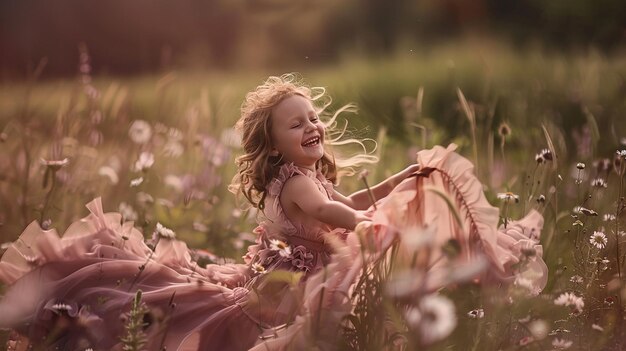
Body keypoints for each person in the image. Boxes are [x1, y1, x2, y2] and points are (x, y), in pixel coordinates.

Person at [0, 74, 547, 351]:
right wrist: (371, 225)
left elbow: (348, 202)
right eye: (296, 124)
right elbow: (340, 214)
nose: (312, 126)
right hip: (282, 287)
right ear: (274, 144)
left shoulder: (303, 177)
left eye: (313, 117)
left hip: (283, 270)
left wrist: (395, 183)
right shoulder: (298, 187)